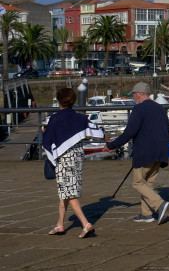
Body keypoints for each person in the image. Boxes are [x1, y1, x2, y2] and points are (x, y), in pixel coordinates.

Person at [42, 87, 107, 238]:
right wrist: (107, 140)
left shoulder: (55, 119)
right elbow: (95, 130)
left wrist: (52, 157)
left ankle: (85, 224)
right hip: (77, 156)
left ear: (58, 102)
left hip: (64, 159)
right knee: (65, 191)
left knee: (69, 193)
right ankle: (59, 224)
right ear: (73, 101)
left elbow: (46, 142)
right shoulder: (80, 117)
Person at [106, 82, 169, 224]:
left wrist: (112, 145)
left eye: (134, 94)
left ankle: (160, 204)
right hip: (160, 153)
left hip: (144, 153)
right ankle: (146, 214)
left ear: (138, 94)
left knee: (137, 183)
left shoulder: (138, 109)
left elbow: (129, 132)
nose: (133, 97)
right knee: (148, 184)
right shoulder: (160, 108)